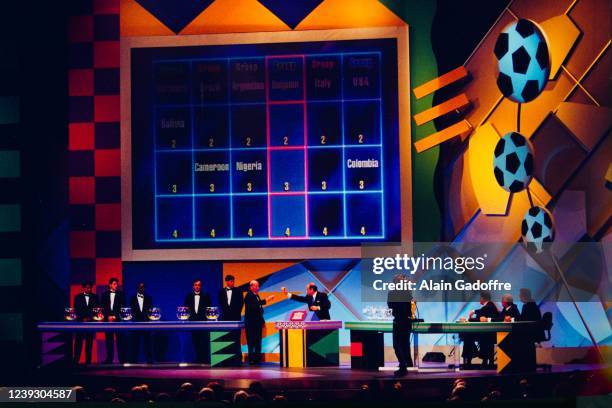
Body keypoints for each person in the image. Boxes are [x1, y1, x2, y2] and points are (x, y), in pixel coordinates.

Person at [461, 291, 499, 367]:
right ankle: (472, 356)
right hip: (485, 332)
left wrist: (468, 320)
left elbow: (480, 318)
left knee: (467, 336)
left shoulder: (489, 306)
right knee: (468, 335)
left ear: (483, 298)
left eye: (480, 298)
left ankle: (469, 358)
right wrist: (472, 315)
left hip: (488, 334)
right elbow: (480, 315)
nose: (479, 299)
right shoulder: (488, 306)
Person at [387, 274, 413, 376]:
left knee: (397, 345)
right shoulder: (407, 292)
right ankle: (406, 364)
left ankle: (403, 366)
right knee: (405, 344)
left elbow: (390, 305)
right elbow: (409, 308)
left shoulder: (392, 293)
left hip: (398, 321)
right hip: (407, 322)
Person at [244, 280, 274, 364]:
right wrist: (266, 300)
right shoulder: (249, 295)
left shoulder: (256, 295)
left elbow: (258, 307)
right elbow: (254, 306)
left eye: (258, 286)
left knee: (257, 341)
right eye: (256, 286)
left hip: (257, 322)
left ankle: (257, 359)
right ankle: (252, 359)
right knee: (251, 342)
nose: (258, 288)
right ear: (251, 287)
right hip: (251, 323)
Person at [184, 278, 211, 363]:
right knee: (195, 341)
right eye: (195, 285)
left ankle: (205, 359)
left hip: (203, 322)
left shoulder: (206, 295)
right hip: (193, 322)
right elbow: (186, 308)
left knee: (204, 341)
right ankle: (199, 359)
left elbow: (209, 309)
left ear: (201, 286)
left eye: (199, 285)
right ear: (193, 286)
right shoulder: (188, 296)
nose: (197, 286)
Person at [100, 277, 127, 364]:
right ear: (110, 285)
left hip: (118, 320)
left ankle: (122, 359)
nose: (116, 286)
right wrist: (108, 316)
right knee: (109, 341)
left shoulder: (121, 294)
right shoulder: (104, 295)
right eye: (114, 284)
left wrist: (115, 316)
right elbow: (102, 307)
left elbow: (122, 307)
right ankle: (109, 359)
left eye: (117, 284)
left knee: (120, 340)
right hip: (108, 321)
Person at [73, 281, 98, 365]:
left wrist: (90, 318)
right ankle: (76, 361)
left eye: (90, 287)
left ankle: (88, 362)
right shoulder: (77, 297)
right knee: (78, 342)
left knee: (89, 342)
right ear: (83, 288)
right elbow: (76, 310)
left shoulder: (95, 297)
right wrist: (83, 318)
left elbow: (96, 310)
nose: (89, 289)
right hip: (80, 323)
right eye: (87, 287)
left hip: (90, 323)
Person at [129, 282, 153, 363]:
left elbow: (150, 311)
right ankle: (134, 359)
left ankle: (149, 359)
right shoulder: (132, 299)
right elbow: (131, 311)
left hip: (146, 323)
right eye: (140, 287)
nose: (141, 289)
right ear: (137, 288)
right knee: (135, 342)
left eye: (143, 287)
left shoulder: (149, 298)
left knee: (148, 342)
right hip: (135, 323)